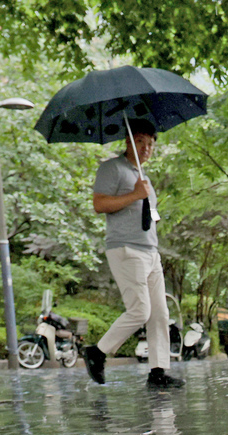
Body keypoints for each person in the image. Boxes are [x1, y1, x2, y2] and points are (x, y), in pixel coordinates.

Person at [83, 123, 183, 388]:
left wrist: (142, 196)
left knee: (159, 314)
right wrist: (134, 195)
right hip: (125, 248)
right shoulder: (112, 168)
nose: (146, 148)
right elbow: (99, 204)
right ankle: (97, 352)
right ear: (127, 141)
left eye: (150, 143)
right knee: (140, 310)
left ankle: (158, 372)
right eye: (140, 141)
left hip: (150, 250)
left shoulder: (144, 176)